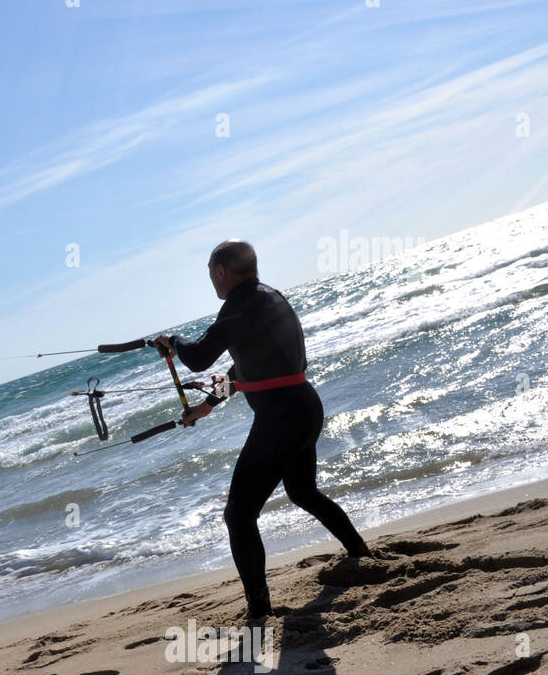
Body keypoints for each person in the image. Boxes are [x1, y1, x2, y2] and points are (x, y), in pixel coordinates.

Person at [101, 240, 372, 620]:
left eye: (211, 273)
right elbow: (242, 367)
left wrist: (173, 342)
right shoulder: (267, 297)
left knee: (239, 515)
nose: (211, 280)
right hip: (304, 408)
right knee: (303, 492)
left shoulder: (240, 305)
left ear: (221, 272)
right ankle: (360, 552)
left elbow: (197, 359)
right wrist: (207, 406)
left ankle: (259, 610)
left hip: (281, 417)